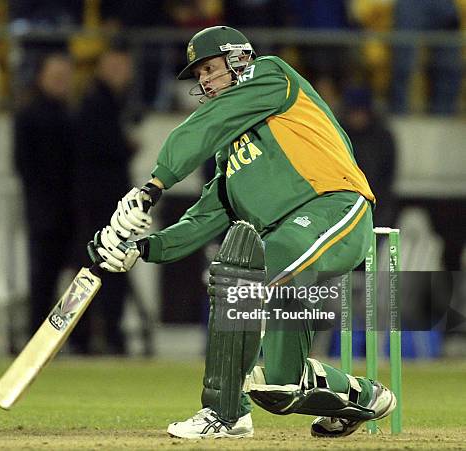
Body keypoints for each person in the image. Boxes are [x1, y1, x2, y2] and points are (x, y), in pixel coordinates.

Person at [87, 26, 397, 439]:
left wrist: (153, 185)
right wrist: (143, 248)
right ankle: (365, 396)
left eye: (210, 68)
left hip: (336, 209)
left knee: (239, 274)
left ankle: (225, 411)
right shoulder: (229, 149)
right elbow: (206, 217)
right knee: (282, 389)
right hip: (286, 249)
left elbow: (206, 123)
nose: (204, 80)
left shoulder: (271, 75)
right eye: (198, 75)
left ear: (238, 59)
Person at [70, 46, 135, 355]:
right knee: (104, 269)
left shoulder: (107, 103)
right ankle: (102, 334)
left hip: (98, 203)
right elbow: (104, 149)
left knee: (94, 269)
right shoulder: (99, 104)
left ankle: (88, 334)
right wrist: (126, 146)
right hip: (102, 205)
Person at [14, 53, 77, 336]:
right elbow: (24, 165)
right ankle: (40, 337)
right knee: (44, 281)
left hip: (71, 213)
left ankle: (65, 336)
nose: (61, 83)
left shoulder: (72, 114)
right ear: (41, 77)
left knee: (77, 282)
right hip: (45, 214)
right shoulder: (30, 115)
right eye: (56, 77)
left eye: (65, 77)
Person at [341, 86, 397, 228]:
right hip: (345, 204)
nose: (356, 117)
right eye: (352, 112)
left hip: (377, 205)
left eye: (359, 112)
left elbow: (387, 176)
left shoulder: (383, 137)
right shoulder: (340, 136)